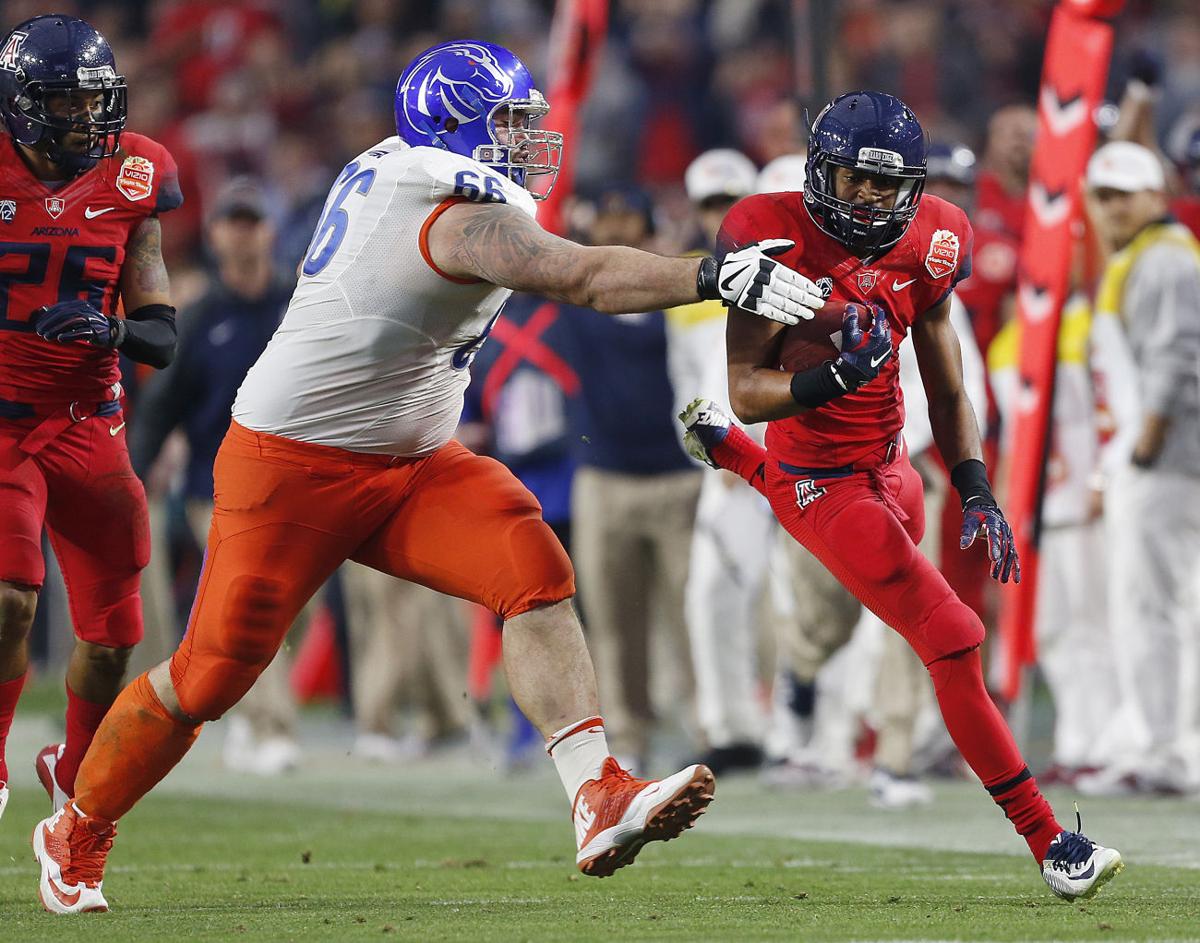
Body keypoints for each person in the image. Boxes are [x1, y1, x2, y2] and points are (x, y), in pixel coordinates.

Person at [32, 40, 823, 912]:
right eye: (511, 124)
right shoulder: (447, 210)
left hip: (411, 459)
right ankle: (79, 822)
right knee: (207, 679)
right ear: (456, 124)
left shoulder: (411, 172)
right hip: (294, 466)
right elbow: (584, 275)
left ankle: (596, 789)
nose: (529, 141)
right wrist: (710, 274)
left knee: (534, 568)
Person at [679, 91, 1122, 900]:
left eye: (888, 187)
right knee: (951, 633)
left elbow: (946, 376)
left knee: (899, 609)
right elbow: (746, 386)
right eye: (855, 182)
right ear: (821, 172)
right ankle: (1051, 840)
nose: (873, 201)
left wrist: (977, 483)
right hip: (820, 478)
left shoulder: (936, 236)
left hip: (894, 465)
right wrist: (828, 377)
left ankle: (738, 464)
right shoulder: (765, 235)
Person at [0, 15, 181, 825]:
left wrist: (112, 329)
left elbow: (162, 334)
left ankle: (70, 775)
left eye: (93, 102)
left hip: (89, 422)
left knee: (113, 637)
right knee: (11, 596)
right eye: (65, 103)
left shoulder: (136, 173)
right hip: (2, 421)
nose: (84, 119)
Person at [127, 178, 302, 776]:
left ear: (270, 230)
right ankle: (272, 724)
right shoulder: (199, 317)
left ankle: (238, 714)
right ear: (216, 232)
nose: (244, 233)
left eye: (254, 221)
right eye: (235, 221)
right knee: (248, 600)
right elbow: (164, 404)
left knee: (272, 613)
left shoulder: (300, 305)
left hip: (300, 486)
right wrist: (134, 471)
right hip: (217, 486)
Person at [1082, 141, 1200, 796]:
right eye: (1101, 195)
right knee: (1163, 605)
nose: (1109, 208)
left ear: (1156, 195)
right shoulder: (1144, 256)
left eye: (1122, 194)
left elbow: (1180, 354)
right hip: (1152, 456)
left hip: (1167, 460)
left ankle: (1167, 751)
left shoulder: (1163, 260)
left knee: (1156, 608)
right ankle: (1158, 741)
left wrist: (1147, 444)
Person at [670, 148, 775, 775]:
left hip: (770, 457)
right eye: (711, 202)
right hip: (718, 459)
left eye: (731, 198)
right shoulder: (684, 277)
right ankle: (733, 727)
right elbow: (685, 380)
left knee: (782, 601)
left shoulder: (781, 270)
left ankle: (795, 729)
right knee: (712, 595)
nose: (722, 212)